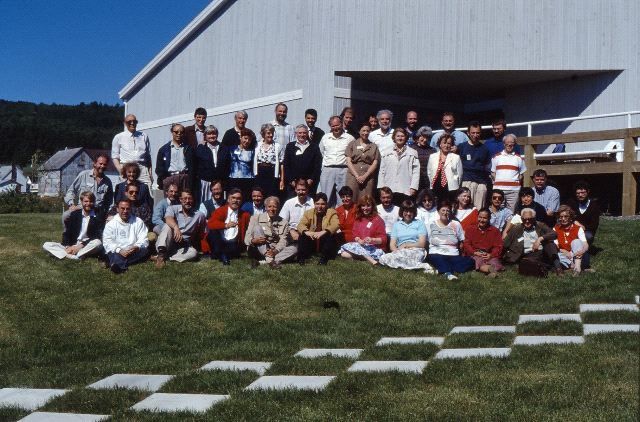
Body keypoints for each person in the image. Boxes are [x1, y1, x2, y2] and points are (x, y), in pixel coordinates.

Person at [44, 191, 104, 260]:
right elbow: (67, 233)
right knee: (46, 244)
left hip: (87, 245)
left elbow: (97, 236)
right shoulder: (75, 214)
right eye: (86, 201)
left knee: (98, 243)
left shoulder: (98, 216)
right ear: (81, 202)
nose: (88, 204)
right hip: (73, 244)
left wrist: (81, 246)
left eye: (91, 201)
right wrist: (68, 246)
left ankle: (71, 254)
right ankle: (74, 256)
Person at [154, 189, 206, 267]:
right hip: (168, 242)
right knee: (167, 225)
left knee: (194, 253)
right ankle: (161, 254)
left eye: (190, 198)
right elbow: (168, 218)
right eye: (185, 198)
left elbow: (200, 232)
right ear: (180, 200)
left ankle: (166, 257)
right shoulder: (172, 208)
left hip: (183, 246)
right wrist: (176, 227)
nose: (187, 201)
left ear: (193, 200)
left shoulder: (199, 215)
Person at [379, 199, 434, 273]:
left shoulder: (419, 223)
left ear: (414, 212)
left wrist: (407, 245)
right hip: (400, 251)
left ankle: (402, 264)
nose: (408, 213)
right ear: (402, 211)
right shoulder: (396, 225)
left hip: (416, 250)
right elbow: (392, 245)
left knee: (407, 256)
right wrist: (397, 251)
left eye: (411, 211)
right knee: (383, 258)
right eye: (406, 211)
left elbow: (422, 243)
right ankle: (420, 266)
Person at [502, 208, 563, 274]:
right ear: (522, 219)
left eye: (529, 219)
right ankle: (546, 267)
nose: (527, 221)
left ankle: (558, 268)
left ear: (534, 218)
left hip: (541, 253)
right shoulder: (516, 229)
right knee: (527, 262)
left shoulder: (540, 225)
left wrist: (540, 239)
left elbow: (554, 234)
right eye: (525, 219)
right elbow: (505, 244)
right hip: (526, 255)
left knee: (550, 244)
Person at [427, 200, 474, 280]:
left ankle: (439, 270)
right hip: (436, 252)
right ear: (438, 211)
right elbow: (427, 241)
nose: (445, 213)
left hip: (453, 254)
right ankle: (448, 273)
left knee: (471, 261)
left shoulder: (456, 224)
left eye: (448, 210)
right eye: (443, 210)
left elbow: (462, 241)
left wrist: (460, 251)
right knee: (437, 258)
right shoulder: (431, 224)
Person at [245, 196, 298, 268]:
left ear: (278, 208)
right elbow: (247, 237)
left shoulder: (284, 222)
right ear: (265, 207)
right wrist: (253, 240)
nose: (272, 209)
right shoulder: (255, 218)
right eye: (269, 206)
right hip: (258, 248)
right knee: (257, 228)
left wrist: (275, 251)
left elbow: (283, 240)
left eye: (274, 207)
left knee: (294, 248)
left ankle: (262, 262)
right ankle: (270, 260)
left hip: (275, 249)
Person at [102, 199, 149, 273]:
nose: (125, 211)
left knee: (144, 251)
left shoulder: (138, 221)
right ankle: (120, 266)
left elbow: (144, 238)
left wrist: (137, 246)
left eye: (127, 209)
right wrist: (119, 250)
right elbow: (107, 241)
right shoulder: (111, 224)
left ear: (131, 209)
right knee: (113, 253)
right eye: (122, 208)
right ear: (117, 209)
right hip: (117, 251)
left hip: (133, 250)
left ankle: (113, 262)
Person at [63, 152, 113, 221]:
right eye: (100, 164)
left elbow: (110, 201)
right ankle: (70, 232)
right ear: (95, 163)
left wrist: (109, 212)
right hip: (82, 208)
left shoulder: (108, 181)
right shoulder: (83, 175)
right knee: (66, 215)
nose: (102, 166)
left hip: (98, 210)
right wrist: (71, 204)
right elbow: (71, 191)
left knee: (111, 219)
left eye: (105, 164)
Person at [339, 195, 387, 265]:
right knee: (344, 253)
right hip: (361, 246)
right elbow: (355, 234)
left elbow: (384, 239)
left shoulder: (378, 220)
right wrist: (359, 240)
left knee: (356, 248)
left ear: (372, 206)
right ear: (360, 207)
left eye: (368, 206)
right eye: (363, 206)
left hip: (374, 248)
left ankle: (372, 261)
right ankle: (365, 258)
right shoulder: (358, 219)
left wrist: (372, 240)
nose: (365, 208)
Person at [318, 116, 355, 207]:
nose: (336, 128)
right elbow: (321, 152)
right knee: (325, 196)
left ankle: (341, 217)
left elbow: (353, 155)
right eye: (333, 126)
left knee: (343, 196)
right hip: (328, 169)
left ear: (342, 124)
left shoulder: (349, 138)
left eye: (337, 125)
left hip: (343, 169)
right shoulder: (325, 138)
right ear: (330, 126)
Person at [206, 188, 250, 265]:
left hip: (233, 242)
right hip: (220, 239)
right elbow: (210, 224)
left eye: (238, 199)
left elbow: (248, 230)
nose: (235, 200)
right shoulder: (220, 210)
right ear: (228, 199)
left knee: (232, 248)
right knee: (213, 233)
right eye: (233, 198)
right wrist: (225, 225)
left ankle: (220, 254)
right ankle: (222, 254)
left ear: (241, 201)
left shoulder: (245, 215)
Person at [377, 127, 420, 204]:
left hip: (405, 187)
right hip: (389, 187)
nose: (400, 138)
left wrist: (413, 187)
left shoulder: (412, 152)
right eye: (398, 136)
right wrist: (381, 187)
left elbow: (416, 172)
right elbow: (382, 171)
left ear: (406, 138)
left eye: (402, 136)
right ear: (394, 137)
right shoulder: (386, 152)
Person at [111, 114, 153, 189]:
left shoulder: (144, 136)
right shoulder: (118, 137)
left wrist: (150, 173)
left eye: (134, 121)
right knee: (126, 193)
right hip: (126, 168)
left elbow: (148, 156)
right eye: (129, 121)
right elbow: (115, 157)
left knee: (147, 191)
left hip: (142, 169)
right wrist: (121, 170)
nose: (132, 123)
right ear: (125, 123)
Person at [296, 192, 340, 265]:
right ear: (314, 204)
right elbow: (300, 225)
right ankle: (301, 258)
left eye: (322, 204)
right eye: (317, 204)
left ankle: (324, 258)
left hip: (324, 241)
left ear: (326, 204)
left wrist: (324, 232)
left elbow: (336, 224)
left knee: (330, 237)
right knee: (302, 236)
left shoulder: (331, 212)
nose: (320, 206)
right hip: (313, 240)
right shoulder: (308, 213)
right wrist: (307, 232)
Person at [458, 121, 491, 209]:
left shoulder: (485, 149)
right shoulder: (461, 147)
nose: (475, 135)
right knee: (467, 206)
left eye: (477, 133)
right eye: (473, 133)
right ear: (468, 133)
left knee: (479, 208)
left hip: (481, 182)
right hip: (467, 180)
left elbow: (487, 167)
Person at [195, 125, 231, 206]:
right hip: (206, 182)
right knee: (206, 204)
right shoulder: (200, 148)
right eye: (209, 134)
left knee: (219, 204)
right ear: (205, 136)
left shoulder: (224, 148)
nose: (211, 136)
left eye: (214, 134)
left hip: (220, 183)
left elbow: (228, 165)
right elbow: (196, 166)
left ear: (217, 135)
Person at [462, 208, 503, 277]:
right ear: (477, 217)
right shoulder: (470, 229)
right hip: (475, 254)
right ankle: (489, 269)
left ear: (489, 219)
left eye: (484, 218)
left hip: (488, 254)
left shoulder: (495, 231)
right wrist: (474, 252)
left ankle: (490, 270)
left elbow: (498, 246)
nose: (481, 220)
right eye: (480, 217)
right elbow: (467, 244)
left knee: (494, 261)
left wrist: (491, 255)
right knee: (478, 261)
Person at [284, 125, 323, 197]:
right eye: (300, 133)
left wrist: (311, 179)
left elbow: (317, 165)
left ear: (307, 133)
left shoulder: (314, 147)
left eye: (304, 133)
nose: (302, 135)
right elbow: (286, 165)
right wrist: (291, 180)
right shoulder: (290, 146)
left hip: (309, 184)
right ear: (296, 134)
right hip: (293, 184)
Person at [345, 122, 380, 200]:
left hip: (368, 177)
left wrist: (365, 176)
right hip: (353, 176)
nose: (365, 133)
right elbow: (348, 161)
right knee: (352, 197)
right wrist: (357, 176)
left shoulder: (373, 146)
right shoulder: (352, 144)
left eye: (367, 131)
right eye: (363, 131)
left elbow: (375, 162)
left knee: (367, 198)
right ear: (359, 131)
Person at [155, 123, 195, 192]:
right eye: (176, 132)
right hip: (170, 178)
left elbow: (193, 166)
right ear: (172, 132)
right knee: (171, 201)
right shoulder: (164, 150)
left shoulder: (188, 149)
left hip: (185, 178)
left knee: (185, 201)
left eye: (181, 132)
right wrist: (165, 179)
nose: (179, 134)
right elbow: (159, 168)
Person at [553, 205, 591, 276]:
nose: (563, 219)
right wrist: (565, 251)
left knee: (576, 241)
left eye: (566, 216)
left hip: (578, 255)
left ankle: (577, 268)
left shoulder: (578, 228)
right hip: (565, 255)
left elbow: (585, 244)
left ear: (570, 218)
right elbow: (556, 246)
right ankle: (573, 266)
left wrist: (581, 251)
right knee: (554, 254)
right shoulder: (555, 229)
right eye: (561, 217)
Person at [491, 134, 526, 211]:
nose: (509, 144)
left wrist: (515, 183)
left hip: (513, 191)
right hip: (499, 190)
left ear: (514, 144)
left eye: (512, 143)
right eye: (507, 142)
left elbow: (521, 175)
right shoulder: (496, 157)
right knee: (498, 211)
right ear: (504, 144)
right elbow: (493, 173)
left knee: (511, 213)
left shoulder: (519, 158)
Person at [427, 133, 463, 202]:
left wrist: (455, 184)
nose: (446, 145)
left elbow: (459, 174)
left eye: (449, 143)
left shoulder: (456, 157)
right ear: (440, 144)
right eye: (444, 143)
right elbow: (429, 172)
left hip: (451, 188)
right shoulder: (432, 156)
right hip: (436, 187)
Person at [253, 123, 285, 197]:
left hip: (272, 173)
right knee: (260, 195)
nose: (270, 135)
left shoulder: (277, 146)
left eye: (272, 133)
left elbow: (282, 164)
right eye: (268, 133)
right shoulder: (257, 145)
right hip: (260, 173)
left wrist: (282, 180)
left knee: (271, 195)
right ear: (263, 134)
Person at [565, 180, 601, 245]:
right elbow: (565, 216)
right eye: (578, 193)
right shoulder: (571, 203)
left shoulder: (594, 205)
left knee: (588, 236)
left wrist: (581, 228)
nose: (580, 195)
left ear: (588, 192)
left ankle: (584, 249)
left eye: (583, 192)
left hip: (586, 230)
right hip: (571, 228)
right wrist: (574, 222)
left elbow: (594, 225)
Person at [227, 128, 256, 200]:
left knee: (246, 200)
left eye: (249, 139)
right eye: (245, 138)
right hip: (234, 179)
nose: (247, 141)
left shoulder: (252, 151)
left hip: (248, 180)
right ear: (240, 137)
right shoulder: (231, 149)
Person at [410, 126, 436, 191]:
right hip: (415, 181)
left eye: (427, 137)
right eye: (423, 136)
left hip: (428, 181)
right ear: (418, 136)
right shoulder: (411, 149)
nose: (425, 140)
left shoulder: (432, 150)